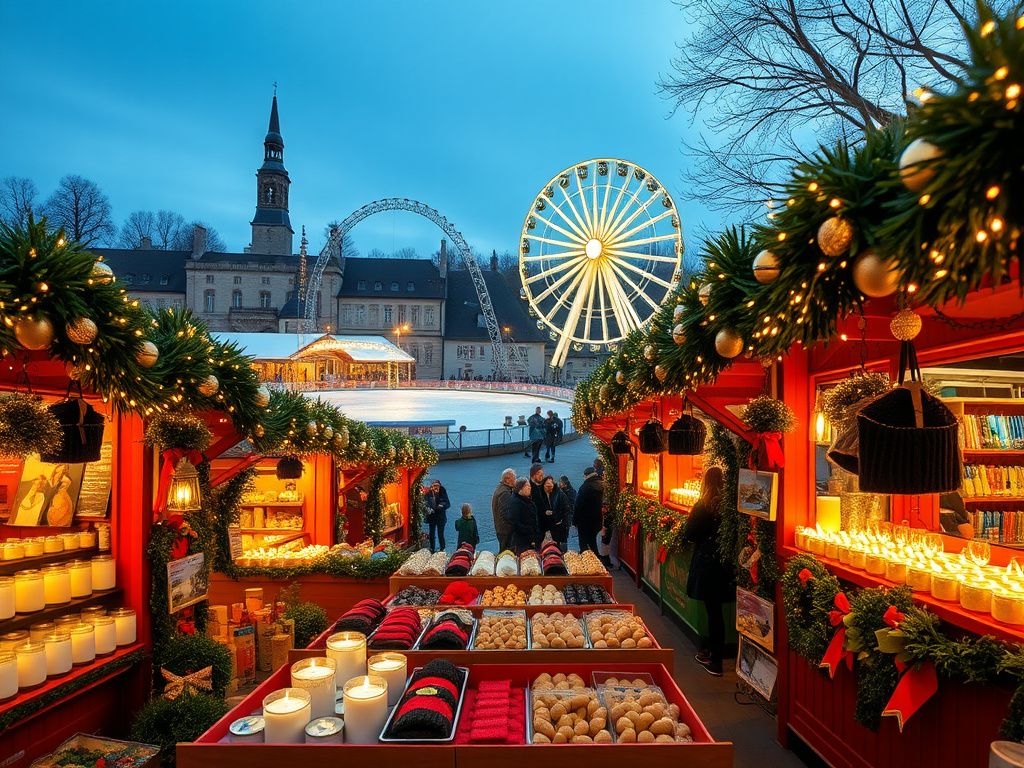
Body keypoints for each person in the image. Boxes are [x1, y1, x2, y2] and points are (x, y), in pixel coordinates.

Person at [682, 467, 733, 676]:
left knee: (713, 613)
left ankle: (716, 661)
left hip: (708, 564)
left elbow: (690, 533)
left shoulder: (703, 506)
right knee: (717, 611)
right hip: (725, 565)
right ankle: (713, 652)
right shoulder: (728, 506)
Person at [574, 466, 604, 554]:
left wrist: (575, 521)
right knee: (594, 541)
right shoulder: (602, 484)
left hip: (584, 521)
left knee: (583, 542)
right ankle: (596, 558)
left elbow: (578, 506)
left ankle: (587, 559)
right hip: (597, 519)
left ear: (586, 476)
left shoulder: (585, 487)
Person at [509, 477, 540, 553]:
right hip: (522, 542)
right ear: (520, 488)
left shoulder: (525, 498)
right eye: (527, 486)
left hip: (529, 539)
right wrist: (530, 531)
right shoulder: (515, 502)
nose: (530, 487)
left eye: (530, 485)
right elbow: (515, 523)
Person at [541, 475, 570, 547]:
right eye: (547, 486)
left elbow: (566, 510)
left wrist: (564, 523)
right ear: (543, 485)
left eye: (550, 486)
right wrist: (544, 512)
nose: (549, 488)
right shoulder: (540, 493)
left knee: (558, 546)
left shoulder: (560, 494)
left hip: (558, 524)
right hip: (546, 525)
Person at [491, 468, 516, 551]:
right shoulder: (505, 493)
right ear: (507, 480)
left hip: (501, 529)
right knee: (506, 552)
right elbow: (506, 514)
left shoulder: (500, 488)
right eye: (514, 478)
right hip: (505, 531)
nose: (515, 481)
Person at [423, 479, 451, 553]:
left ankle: (442, 549)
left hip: (440, 516)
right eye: (434, 486)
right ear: (432, 486)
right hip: (432, 516)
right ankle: (432, 549)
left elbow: (448, 504)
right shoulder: (428, 493)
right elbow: (424, 503)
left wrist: (441, 506)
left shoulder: (443, 492)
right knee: (431, 534)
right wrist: (428, 509)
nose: (436, 487)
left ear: (440, 486)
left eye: (437, 486)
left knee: (440, 534)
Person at [529, 462, 547, 530]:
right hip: (537, 524)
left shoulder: (541, 485)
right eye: (538, 474)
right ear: (533, 475)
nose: (541, 476)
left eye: (542, 473)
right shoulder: (531, 488)